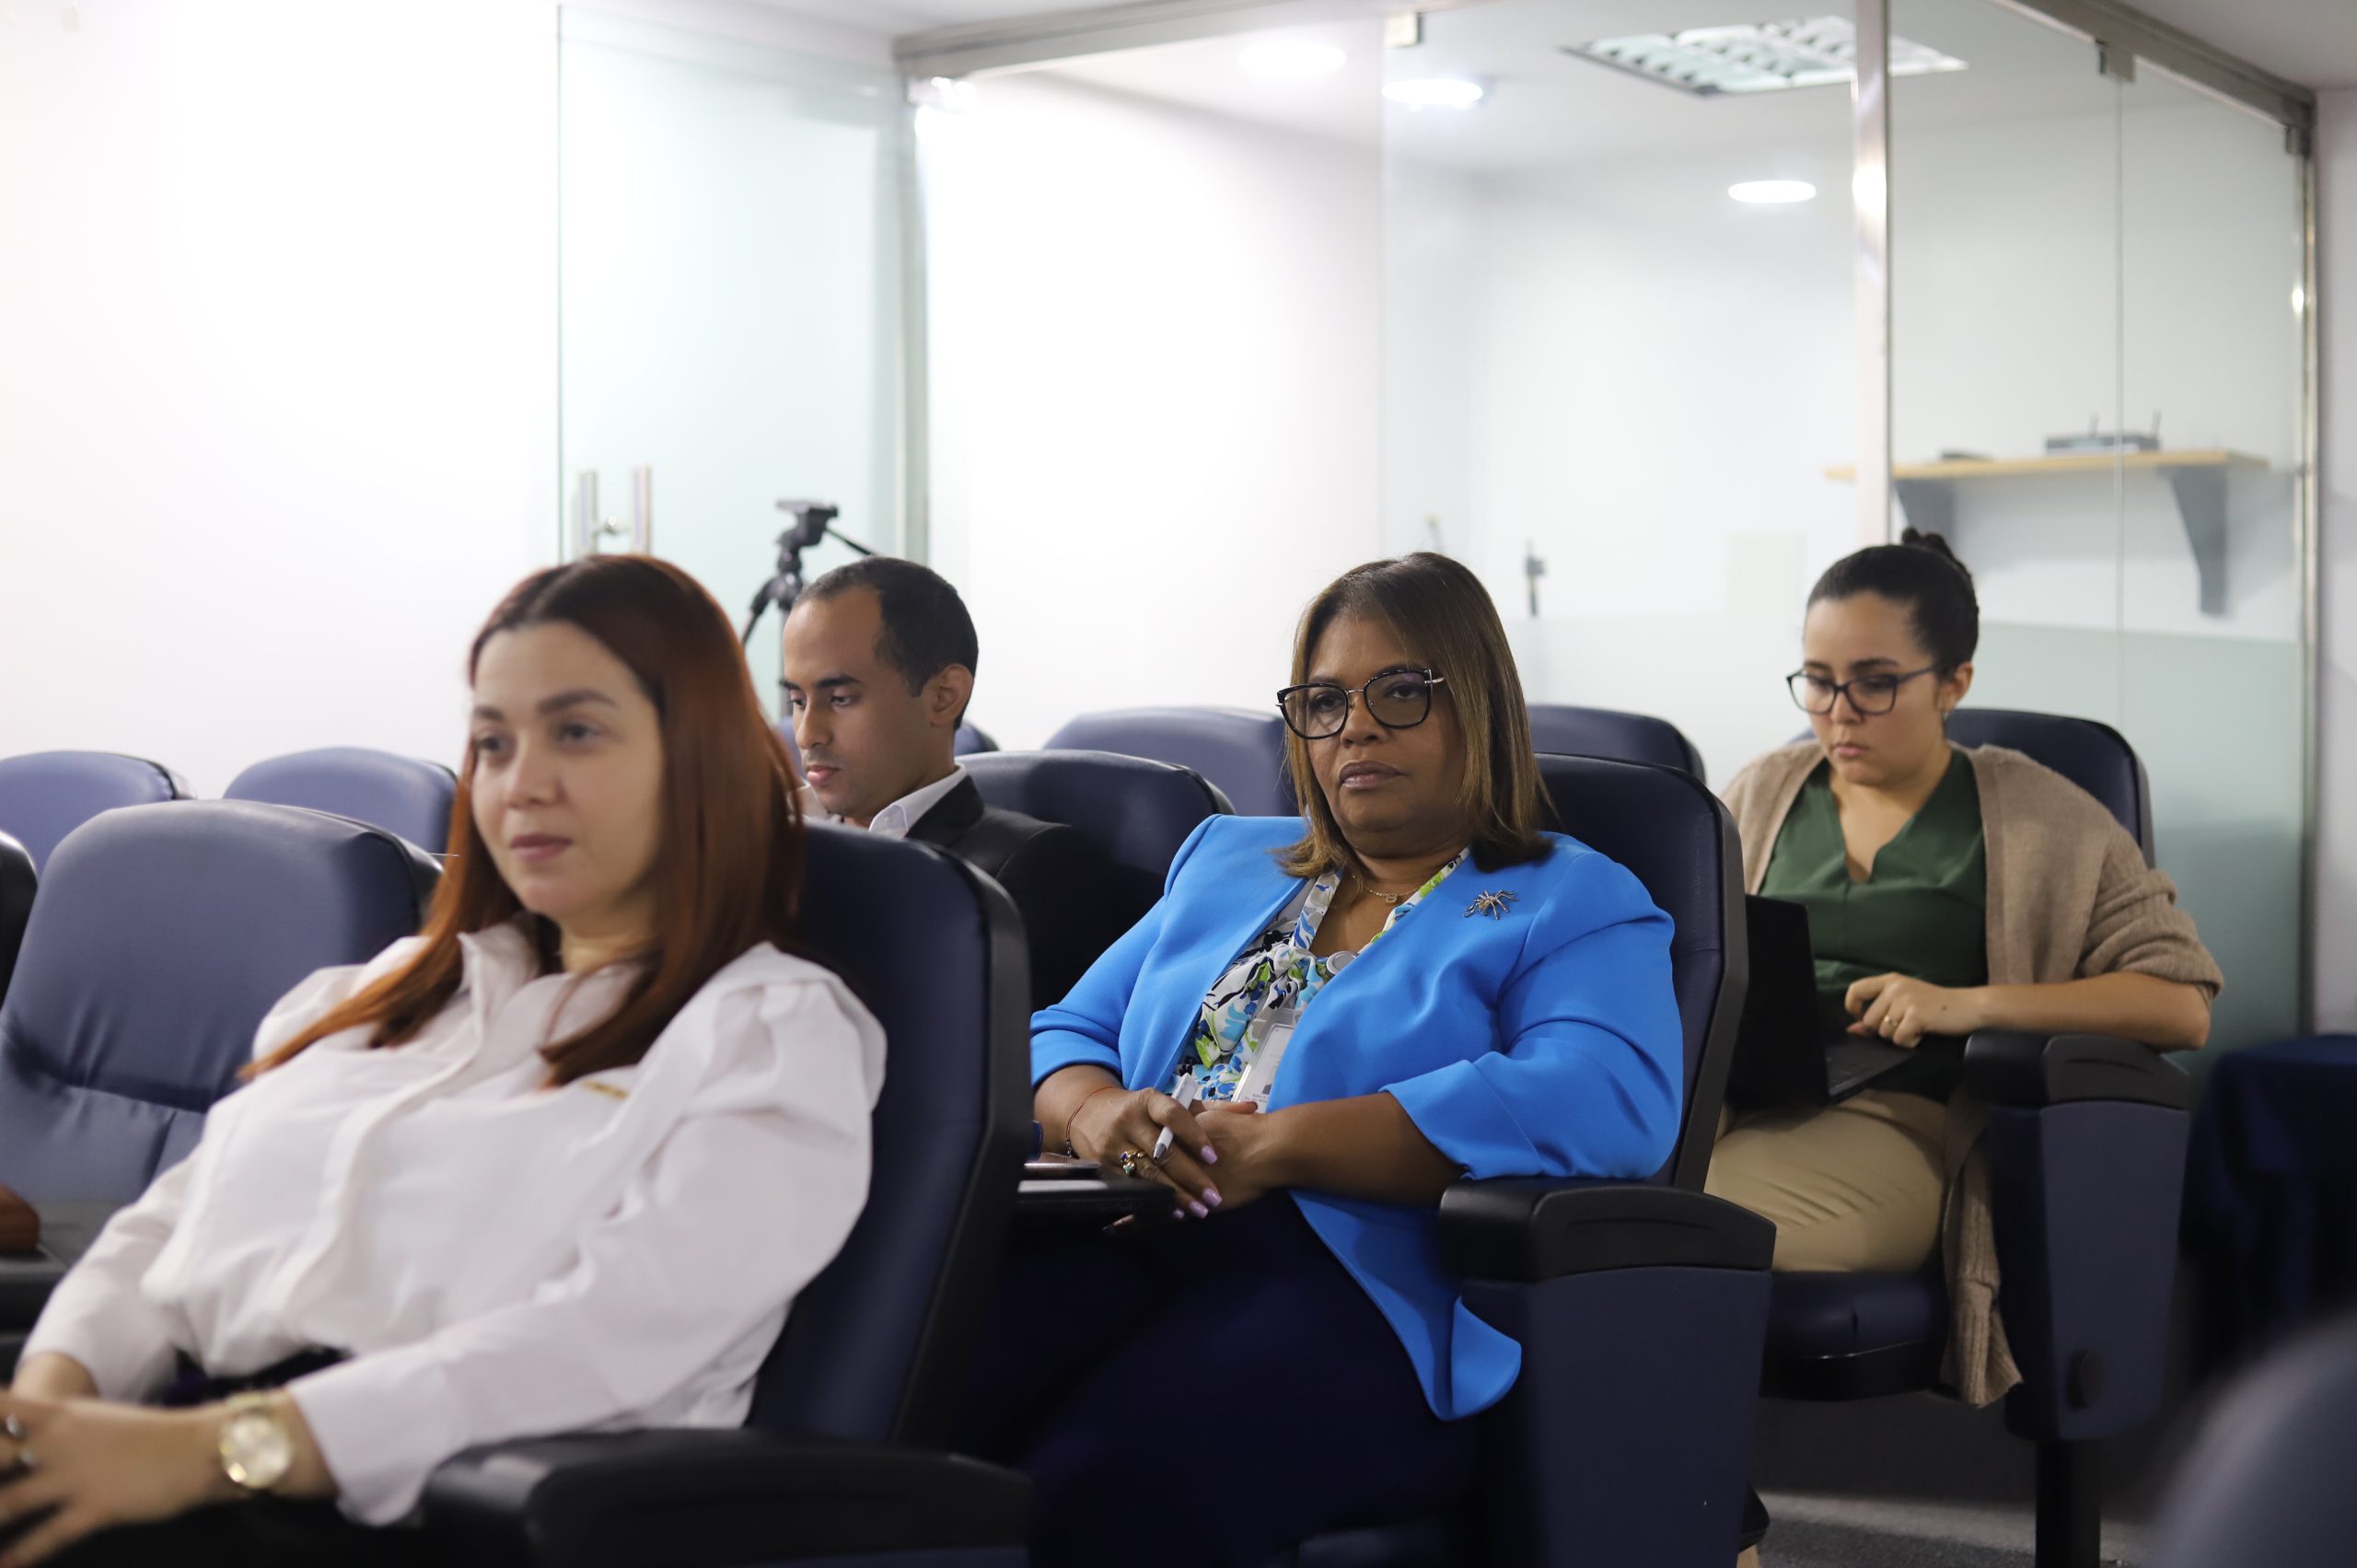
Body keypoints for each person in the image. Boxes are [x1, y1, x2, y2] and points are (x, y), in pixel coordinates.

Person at [1, 556, 884, 1565]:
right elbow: (169, 1226)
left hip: (425, 1510)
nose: (522, 783)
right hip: (189, 1445)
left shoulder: (765, 1031)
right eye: (493, 742)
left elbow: (596, 1345)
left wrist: (213, 1451)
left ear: (698, 759)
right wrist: (44, 1415)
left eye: (576, 731)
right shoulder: (392, 988)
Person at [959, 552, 1684, 1567]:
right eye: (1326, 701)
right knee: (926, 1404)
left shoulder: (1569, 895)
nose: (1356, 727)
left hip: (1363, 1288)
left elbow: (1606, 1097)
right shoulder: (1225, 859)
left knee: (1098, 1486)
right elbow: (1059, 1028)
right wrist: (1092, 1111)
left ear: (1477, 705)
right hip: (1130, 1230)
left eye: (1400, 692)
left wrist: (1284, 1145)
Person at [1707, 528, 2221, 1405]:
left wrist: (1969, 1003)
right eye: (1818, 681)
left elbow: (2180, 1001)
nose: (1838, 713)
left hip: (1908, 1125)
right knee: (1601, 1184)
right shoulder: (1761, 791)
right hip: (1737, 1097)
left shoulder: (2043, 816)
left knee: (1682, 1216)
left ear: (1954, 683)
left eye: (1874, 682)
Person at [780, 557, 1120, 1010]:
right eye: (797, 701)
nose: (807, 734)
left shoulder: (1029, 871)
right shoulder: (767, 837)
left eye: (840, 699)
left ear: (944, 696)